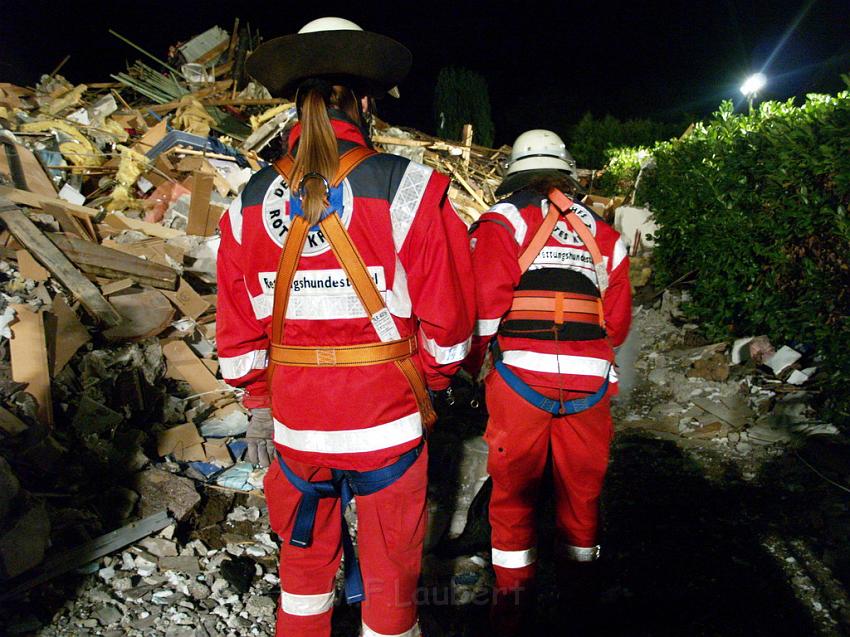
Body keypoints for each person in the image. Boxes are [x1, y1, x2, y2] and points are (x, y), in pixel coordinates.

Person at [216, 17, 474, 637]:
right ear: (363, 101)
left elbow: (236, 335)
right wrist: (427, 381)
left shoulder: (248, 203)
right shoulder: (407, 187)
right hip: (388, 423)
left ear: (296, 103)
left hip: (298, 431)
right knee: (389, 577)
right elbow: (450, 322)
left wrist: (260, 400)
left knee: (303, 580)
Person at [464, 129, 632, 634]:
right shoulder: (604, 234)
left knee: (513, 498)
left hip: (520, 381)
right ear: (567, 173)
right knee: (581, 496)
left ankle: (512, 610)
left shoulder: (502, 221)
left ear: (514, 173)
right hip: (591, 386)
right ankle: (580, 600)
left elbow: (482, 306)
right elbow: (617, 324)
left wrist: (470, 369)